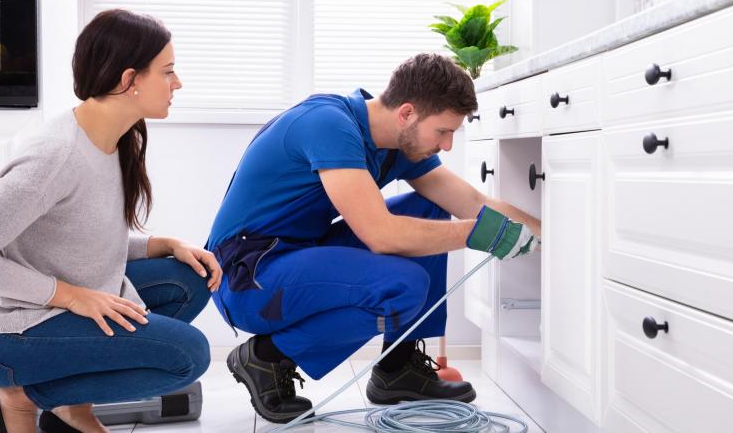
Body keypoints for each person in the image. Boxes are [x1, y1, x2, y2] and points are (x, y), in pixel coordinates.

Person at [205, 53, 540, 423]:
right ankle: (267, 357)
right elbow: (381, 235)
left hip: (299, 257)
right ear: (407, 113)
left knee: (426, 207)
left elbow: (473, 204)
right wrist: (479, 235)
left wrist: (551, 236)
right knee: (402, 285)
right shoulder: (327, 124)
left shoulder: (397, 144)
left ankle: (398, 367)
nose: (447, 146)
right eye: (443, 131)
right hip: (246, 278)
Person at [0, 9, 221, 433]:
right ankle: (22, 397)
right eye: (167, 72)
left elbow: (77, 240)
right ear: (129, 81)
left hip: (44, 308)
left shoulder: (113, 141)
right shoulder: (55, 156)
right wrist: (72, 297)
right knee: (189, 355)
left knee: (189, 278)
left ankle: (71, 409)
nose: (176, 83)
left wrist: (161, 244)